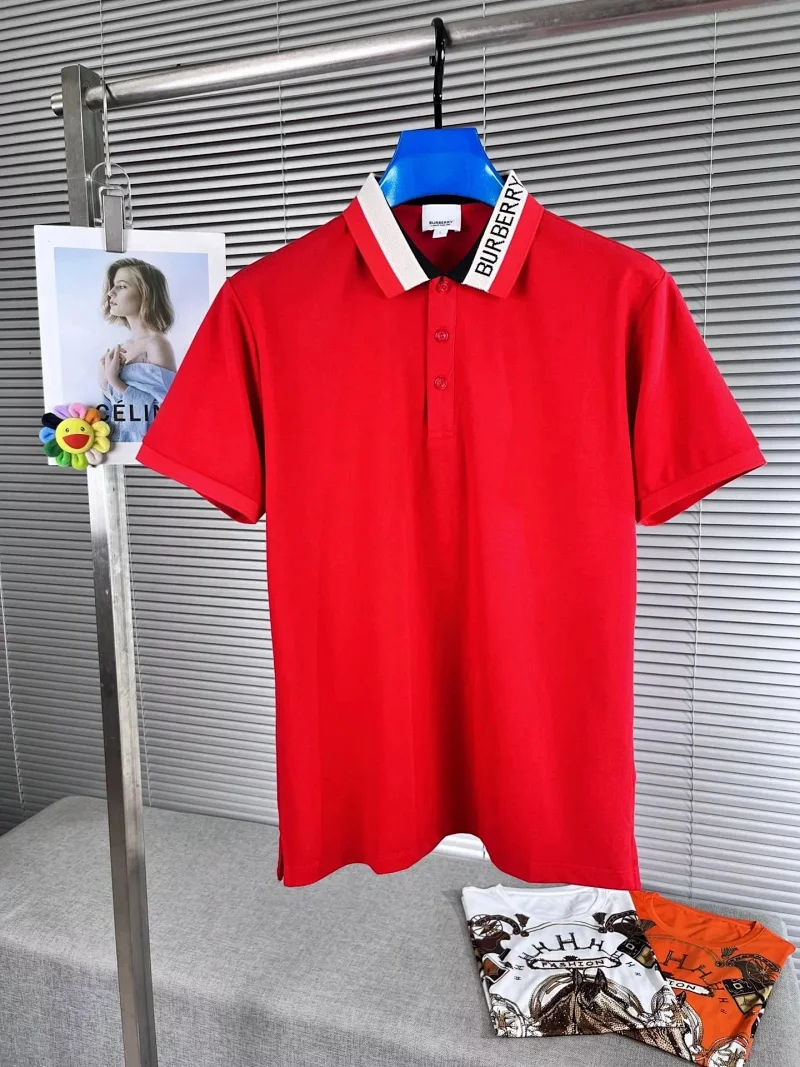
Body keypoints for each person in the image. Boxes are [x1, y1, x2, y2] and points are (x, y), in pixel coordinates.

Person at [97, 257, 178, 443]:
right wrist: (105, 383)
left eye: (121, 286)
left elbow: (166, 409)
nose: (110, 293)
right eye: (113, 286)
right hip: (119, 443)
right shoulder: (124, 346)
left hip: (145, 446)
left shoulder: (157, 345)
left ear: (145, 294)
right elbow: (116, 411)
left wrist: (114, 381)